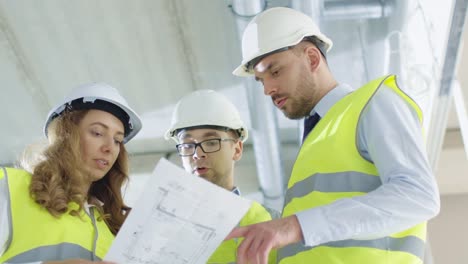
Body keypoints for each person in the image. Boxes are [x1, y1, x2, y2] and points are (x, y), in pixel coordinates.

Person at [226, 7, 440, 264]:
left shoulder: (373, 103)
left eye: (275, 71)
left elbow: (418, 196)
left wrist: (293, 226)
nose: (268, 89)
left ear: (312, 58)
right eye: (260, 80)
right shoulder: (313, 147)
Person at [0, 83, 142, 264]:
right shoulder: (10, 189)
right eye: (97, 133)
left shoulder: (111, 230)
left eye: (117, 140)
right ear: (64, 134)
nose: (109, 148)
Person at [165, 89, 277, 264]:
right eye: (187, 144)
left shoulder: (271, 222)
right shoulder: (160, 229)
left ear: (237, 149)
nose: (197, 154)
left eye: (211, 142)